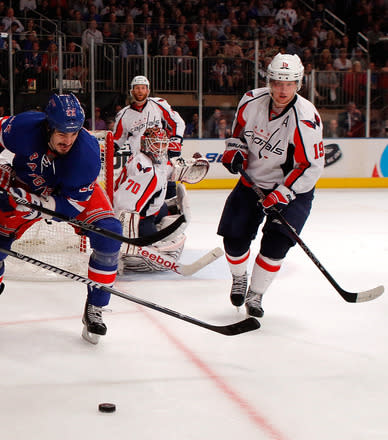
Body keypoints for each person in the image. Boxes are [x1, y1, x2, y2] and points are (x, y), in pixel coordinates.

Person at [0, 93, 122, 344]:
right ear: (48, 126)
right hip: (26, 185)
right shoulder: (25, 126)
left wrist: (32, 205)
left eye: (74, 133)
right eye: (62, 133)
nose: (68, 140)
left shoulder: (86, 155)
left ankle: (95, 307)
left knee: (109, 235)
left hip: (68, 196)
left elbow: (70, 208)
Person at [218, 53, 324, 318]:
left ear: (299, 83)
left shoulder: (306, 118)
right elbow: (238, 135)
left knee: (277, 244)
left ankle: (256, 293)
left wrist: (283, 193)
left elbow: (310, 166)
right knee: (234, 238)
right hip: (251, 181)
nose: (282, 89)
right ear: (269, 80)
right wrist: (235, 150)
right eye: (277, 82)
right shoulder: (251, 100)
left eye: (289, 83)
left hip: (293, 190)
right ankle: (240, 278)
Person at [113, 127, 209, 273]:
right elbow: (125, 205)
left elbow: (169, 170)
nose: (161, 148)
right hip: (143, 218)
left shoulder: (153, 159)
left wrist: (189, 165)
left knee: (172, 210)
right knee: (152, 243)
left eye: (163, 144)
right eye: (156, 144)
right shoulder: (146, 170)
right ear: (146, 143)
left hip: (153, 209)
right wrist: (125, 239)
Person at [112, 75, 185, 200]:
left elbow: (177, 122)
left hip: (161, 155)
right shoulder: (123, 115)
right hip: (140, 161)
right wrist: (107, 151)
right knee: (144, 196)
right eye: (137, 88)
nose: (140, 91)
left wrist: (176, 141)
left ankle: (170, 212)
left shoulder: (158, 104)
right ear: (132, 91)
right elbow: (117, 139)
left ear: (148, 90)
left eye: (143, 88)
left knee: (167, 190)